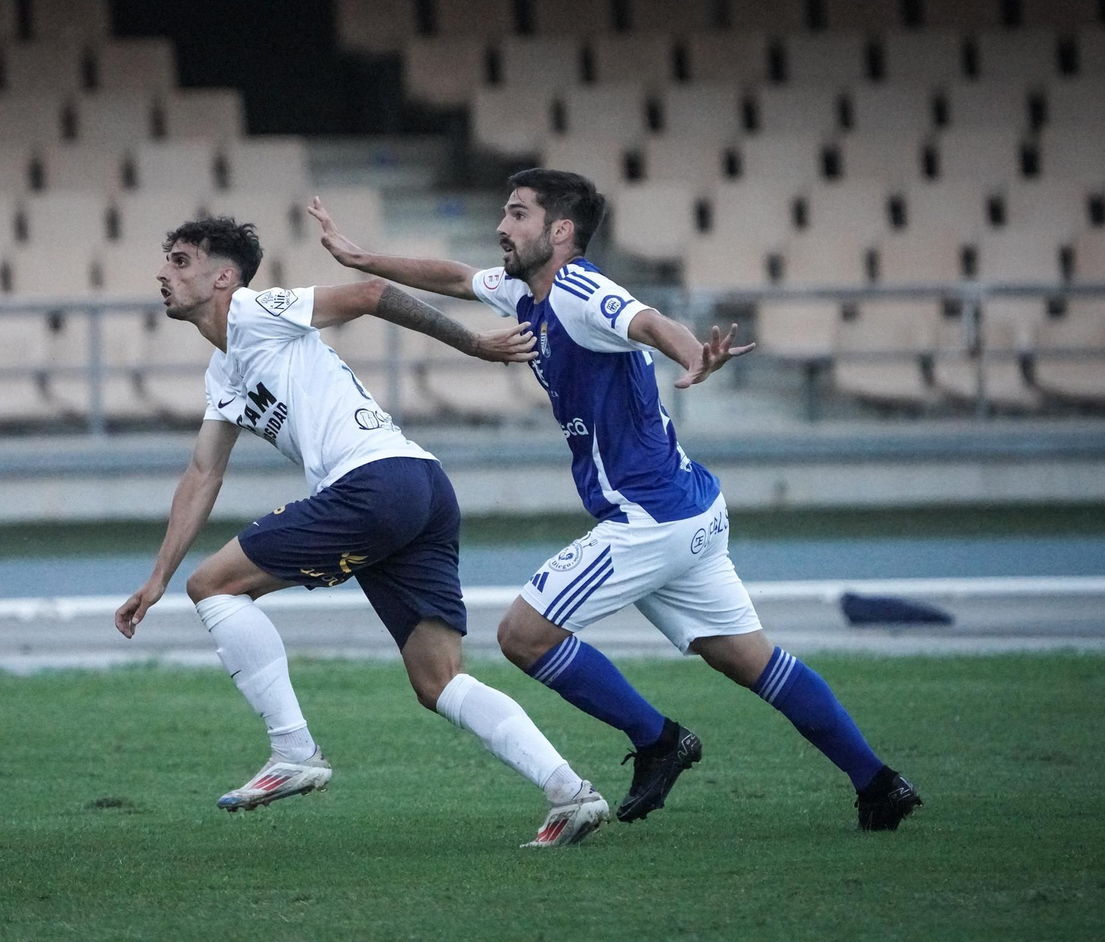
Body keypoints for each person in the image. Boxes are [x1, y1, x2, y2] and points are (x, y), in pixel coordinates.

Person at [307, 170, 923, 832]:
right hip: (687, 510)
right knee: (755, 663)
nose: (502, 227)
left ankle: (660, 740)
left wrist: (695, 356)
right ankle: (879, 784)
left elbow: (647, 321)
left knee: (523, 635)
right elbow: (457, 278)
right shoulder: (522, 288)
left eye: (517, 214)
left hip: (649, 520)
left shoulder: (579, 290)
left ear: (560, 231)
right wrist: (363, 259)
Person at [116, 215, 609, 846]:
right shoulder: (223, 372)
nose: (163, 272)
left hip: (373, 486)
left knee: (213, 586)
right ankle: (570, 792)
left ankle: (293, 751)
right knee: (439, 681)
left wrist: (473, 344)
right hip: (422, 486)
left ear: (224, 277)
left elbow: (372, 294)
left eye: (181, 261)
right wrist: (157, 577)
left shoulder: (253, 309)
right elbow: (203, 472)